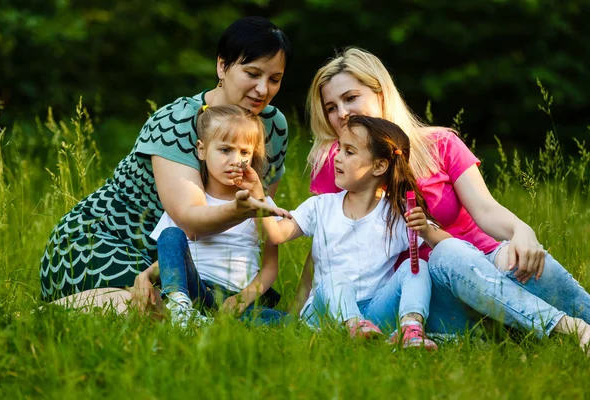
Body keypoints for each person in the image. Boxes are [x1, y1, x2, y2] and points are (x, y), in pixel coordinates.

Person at [304, 47, 590, 352]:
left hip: (488, 266)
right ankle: (566, 328)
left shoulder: (440, 145)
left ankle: (550, 327)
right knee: (444, 253)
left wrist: (523, 232)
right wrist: (301, 309)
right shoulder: (341, 166)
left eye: (350, 98)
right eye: (331, 107)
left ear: (381, 92)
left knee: (524, 260)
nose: (342, 113)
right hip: (426, 295)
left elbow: (486, 209)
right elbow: (325, 245)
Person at [39, 17, 292, 312]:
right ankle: (36, 316)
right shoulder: (176, 121)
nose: (263, 89)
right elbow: (190, 219)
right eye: (252, 73)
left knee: (202, 316)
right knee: (150, 311)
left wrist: (246, 291)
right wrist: (242, 210)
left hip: (189, 260)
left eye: (274, 79)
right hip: (108, 241)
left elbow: (258, 224)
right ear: (222, 66)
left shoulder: (273, 126)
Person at [255, 115, 450, 349]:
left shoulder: (396, 214)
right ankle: (353, 325)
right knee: (334, 277)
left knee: (415, 267)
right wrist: (258, 192)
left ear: (379, 166)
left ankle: (410, 328)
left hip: (374, 314)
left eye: (349, 152)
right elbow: (276, 234)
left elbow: (448, 247)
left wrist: (426, 230)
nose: (337, 158)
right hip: (323, 314)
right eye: (339, 149)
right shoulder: (321, 206)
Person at [146, 105, 285, 327]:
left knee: (285, 322)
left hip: (238, 298)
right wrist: (147, 274)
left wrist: (242, 298)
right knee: (171, 234)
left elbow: (270, 267)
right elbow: (172, 251)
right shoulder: (188, 202)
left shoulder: (260, 204)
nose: (235, 160)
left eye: (244, 153)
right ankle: (179, 307)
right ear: (202, 150)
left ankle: (206, 322)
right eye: (225, 150)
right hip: (195, 289)